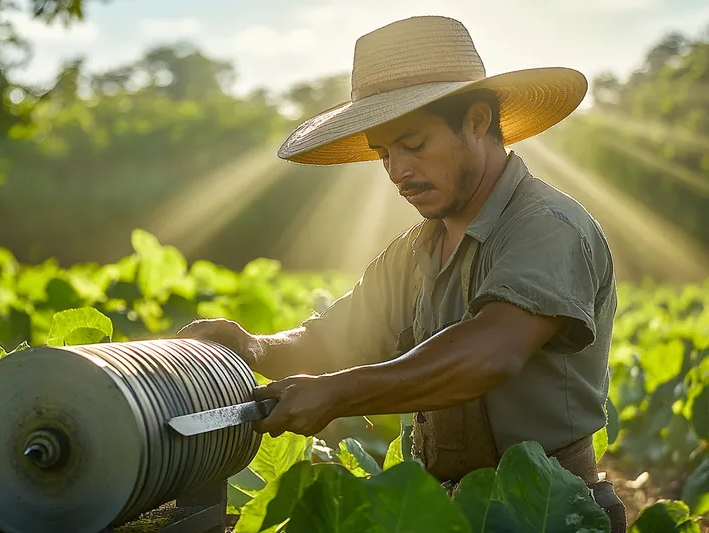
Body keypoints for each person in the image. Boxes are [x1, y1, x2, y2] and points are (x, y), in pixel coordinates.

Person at [178, 15, 626, 531]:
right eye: (385, 153)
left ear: (478, 121)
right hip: (441, 512)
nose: (398, 171)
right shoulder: (417, 249)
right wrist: (253, 348)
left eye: (414, 144)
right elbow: (331, 340)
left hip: (546, 513)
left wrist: (339, 393)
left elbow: (490, 353)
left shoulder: (546, 225)